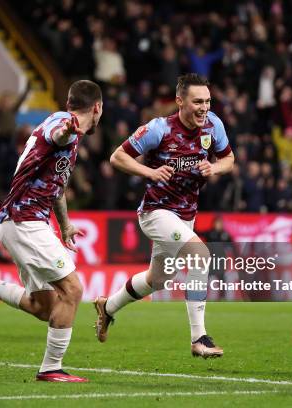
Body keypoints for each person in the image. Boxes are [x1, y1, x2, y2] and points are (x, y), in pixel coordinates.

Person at [0, 80, 103, 383]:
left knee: (44, 307)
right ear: (97, 108)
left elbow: (55, 185)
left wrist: (65, 224)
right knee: (73, 290)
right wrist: (69, 128)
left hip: (22, 222)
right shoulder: (61, 125)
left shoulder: (64, 130)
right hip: (24, 221)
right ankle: (51, 368)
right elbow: (57, 135)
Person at [94, 73, 234, 358]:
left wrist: (214, 168)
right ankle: (199, 339)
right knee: (200, 255)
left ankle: (107, 307)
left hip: (186, 216)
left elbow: (229, 159)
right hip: (156, 212)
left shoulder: (213, 125)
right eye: (197, 101)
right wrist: (150, 172)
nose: (204, 107)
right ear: (179, 101)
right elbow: (117, 157)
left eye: (207, 101)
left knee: (156, 280)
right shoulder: (159, 129)